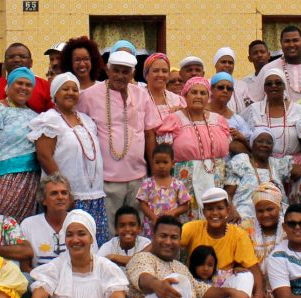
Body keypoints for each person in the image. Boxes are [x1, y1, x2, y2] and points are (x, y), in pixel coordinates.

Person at [77, 51, 161, 231]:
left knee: (135, 229)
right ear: (107, 71)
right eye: (116, 71)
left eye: (125, 72)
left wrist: (153, 173)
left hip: (138, 176)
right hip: (106, 178)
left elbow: (149, 133)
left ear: (133, 74)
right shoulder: (89, 96)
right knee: (110, 229)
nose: (120, 76)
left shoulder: (142, 94)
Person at [30, 72, 107, 241]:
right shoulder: (49, 119)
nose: (71, 93)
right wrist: (65, 192)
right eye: (65, 89)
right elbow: (44, 156)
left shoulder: (86, 120)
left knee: (92, 245)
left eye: (74, 89)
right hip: (66, 196)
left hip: (93, 194)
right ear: (55, 94)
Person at [159, 77, 232, 221]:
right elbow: (164, 153)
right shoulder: (174, 119)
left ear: (208, 97)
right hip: (185, 180)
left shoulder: (219, 120)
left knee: (215, 218)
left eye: (203, 93)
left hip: (216, 178)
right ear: (185, 95)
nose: (198, 96)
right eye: (194, 92)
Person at [0, 67, 42, 222]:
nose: (23, 88)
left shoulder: (36, 116)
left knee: (22, 226)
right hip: (4, 178)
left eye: (28, 85)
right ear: (9, 85)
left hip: (32, 178)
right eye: (19, 83)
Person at [241, 68, 301, 201]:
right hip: (265, 166)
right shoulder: (254, 110)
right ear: (264, 87)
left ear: (284, 85)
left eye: (278, 83)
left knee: (295, 207)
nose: (273, 86)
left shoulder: (298, 110)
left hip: (295, 167)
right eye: (269, 83)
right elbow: (244, 134)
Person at [225, 129, 296, 226]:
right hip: (245, 216)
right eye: (260, 141)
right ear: (252, 144)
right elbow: (228, 193)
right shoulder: (241, 162)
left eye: (269, 143)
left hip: (276, 216)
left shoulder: (277, 164)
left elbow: (300, 170)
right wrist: (231, 211)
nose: (264, 145)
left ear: (272, 148)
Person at [0, 42, 54, 113]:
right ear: (4, 63)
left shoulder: (46, 87)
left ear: (31, 62)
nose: (17, 60)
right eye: (11, 57)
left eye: (23, 56)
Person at [137, 144, 191, 237]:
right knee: (151, 247)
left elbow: (185, 206)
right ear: (152, 163)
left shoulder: (177, 184)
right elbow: (142, 203)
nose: (161, 166)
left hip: (171, 225)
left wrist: (172, 213)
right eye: (157, 162)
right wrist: (153, 217)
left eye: (165, 162)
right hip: (151, 226)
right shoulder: (147, 183)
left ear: (172, 163)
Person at [21, 175, 73, 267]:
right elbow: (25, 268)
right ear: (43, 200)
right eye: (54, 193)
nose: (60, 197)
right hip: (38, 279)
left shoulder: (80, 221)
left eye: (64, 193)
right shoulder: (28, 225)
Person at [257, 26, 301, 103]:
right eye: (287, 41)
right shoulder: (268, 69)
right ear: (281, 43)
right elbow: (256, 100)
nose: (291, 45)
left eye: (295, 40)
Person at [143, 53, 186, 144]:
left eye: (165, 71)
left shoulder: (177, 100)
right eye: (156, 70)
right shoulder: (139, 97)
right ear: (146, 74)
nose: (160, 74)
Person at [208, 72, 253, 154]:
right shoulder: (199, 112)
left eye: (229, 89)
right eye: (221, 87)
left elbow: (251, 146)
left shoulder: (237, 120)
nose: (225, 91)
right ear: (211, 89)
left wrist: (241, 138)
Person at [211, 47, 248, 112]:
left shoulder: (243, 85)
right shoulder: (208, 83)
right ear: (215, 64)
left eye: (230, 63)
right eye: (223, 62)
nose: (227, 65)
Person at [239, 40, 272, 106]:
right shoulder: (245, 82)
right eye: (255, 53)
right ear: (249, 58)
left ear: (269, 55)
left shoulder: (278, 77)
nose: (259, 55)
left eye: (262, 52)